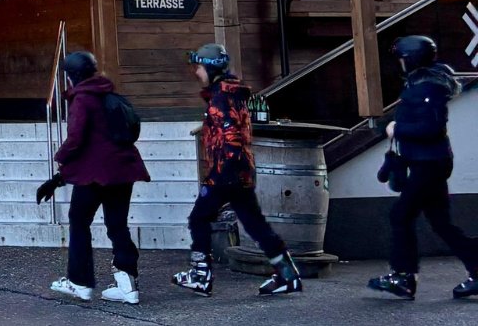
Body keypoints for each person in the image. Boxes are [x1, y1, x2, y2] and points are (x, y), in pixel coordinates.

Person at [172, 43, 303, 297]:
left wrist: (220, 174)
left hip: (226, 172)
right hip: (242, 171)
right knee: (254, 223)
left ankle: (200, 275)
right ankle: (287, 274)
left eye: (199, 67)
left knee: (199, 218)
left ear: (211, 69)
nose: (196, 73)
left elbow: (230, 136)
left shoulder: (221, 98)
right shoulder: (232, 93)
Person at [368, 35, 478, 300]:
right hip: (429, 162)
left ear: (412, 59)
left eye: (403, 59)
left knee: (401, 215)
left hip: (429, 165)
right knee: (441, 223)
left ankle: (403, 277)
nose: (401, 64)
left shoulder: (427, 87)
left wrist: (397, 128)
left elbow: (431, 127)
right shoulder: (424, 83)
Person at [37, 50, 150, 304]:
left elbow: (77, 140)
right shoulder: (107, 93)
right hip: (124, 170)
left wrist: (60, 159)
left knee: (79, 220)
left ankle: (80, 282)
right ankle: (127, 285)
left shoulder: (83, 100)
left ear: (72, 76)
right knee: (117, 225)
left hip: (95, 174)